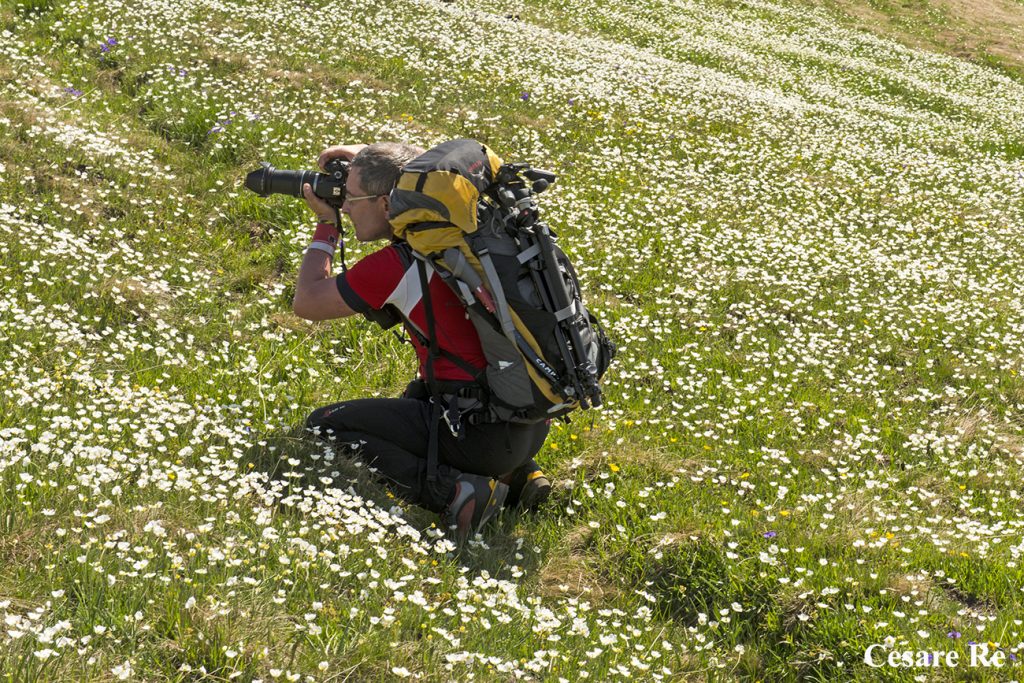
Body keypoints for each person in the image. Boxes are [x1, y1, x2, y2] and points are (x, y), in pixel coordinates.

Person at [293, 142, 551, 543]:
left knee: (325, 427)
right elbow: (435, 159)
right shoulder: (467, 237)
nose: (344, 206)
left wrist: (326, 226)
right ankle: (518, 474)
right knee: (419, 393)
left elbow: (308, 302)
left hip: (480, 436)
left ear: (385, 203)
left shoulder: (397, 265)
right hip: (527, 417)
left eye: (350, 199)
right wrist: (364, 153)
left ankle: (459, 493)